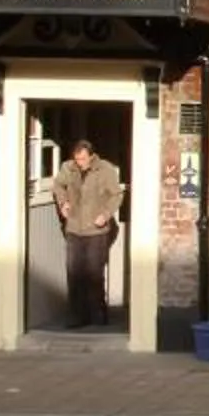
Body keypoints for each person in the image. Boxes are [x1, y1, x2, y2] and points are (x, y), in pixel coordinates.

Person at [52, 138, 126, 329]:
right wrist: (63, 203)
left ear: (91, 156)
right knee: (74, 273)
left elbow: (116, 194)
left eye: (83, 159)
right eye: (77, 159)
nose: (80, 163)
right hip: (74, 228)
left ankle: (98, 313)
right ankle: (77, 315)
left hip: (97, 230)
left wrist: (106, 214)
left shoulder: (105, 169)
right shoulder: (68, 168)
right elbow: (58, 185)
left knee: (94, 273)